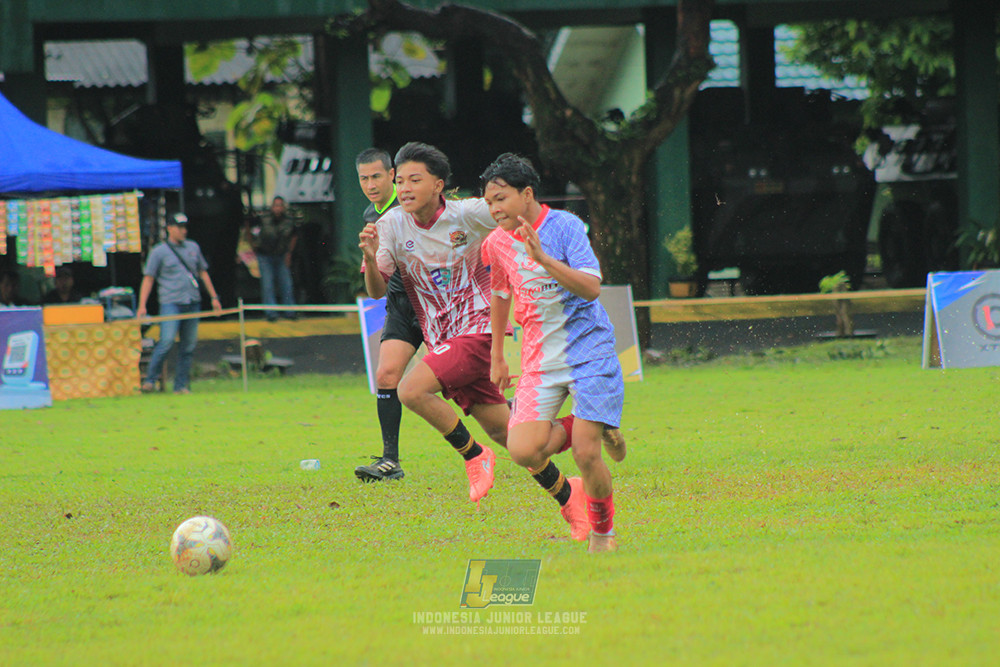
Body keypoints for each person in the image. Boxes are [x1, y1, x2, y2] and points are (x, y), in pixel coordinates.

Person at [359, 143, 586, 542]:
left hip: (479, 330)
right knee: (511, 437)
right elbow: (377, 292)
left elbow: (516, 211)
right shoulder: (392, 225)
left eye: (415, 179)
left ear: (439, 185)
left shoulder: (469, 213)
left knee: (410, 389)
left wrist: (548, 249)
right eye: (400, 180)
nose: (405, 187)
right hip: (443, 339)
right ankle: (570, 494)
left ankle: (474, 455)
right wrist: (372, 255)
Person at [480, 153, 627, 553]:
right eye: (489, 202)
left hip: (590, 351)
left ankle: (602, 533)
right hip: (539, 360)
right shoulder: (494, 245)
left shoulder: (564, 227)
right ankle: (597, 421)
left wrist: (543, 258)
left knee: (584, 451)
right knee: (524, 450)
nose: (494, 209)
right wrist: (497, 355)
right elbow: (499, 296)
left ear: (527, 194)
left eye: (501, 199)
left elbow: (592, 288)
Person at [352, 148, 424, 482]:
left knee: (467, 385)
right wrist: (369, 259)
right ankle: (390, 461)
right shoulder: (371, 213)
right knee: (386, 375)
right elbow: (375, 286)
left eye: (376, 176)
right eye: (363, 178)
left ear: (392, 174)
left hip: (436, 302)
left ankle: (517, 420)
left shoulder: (411, 203)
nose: (370, 184)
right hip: (400, 304)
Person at [137, 213, 222, 394]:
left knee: (188, 346)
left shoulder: (193, 247)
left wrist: (214, 297)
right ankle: (150, 380)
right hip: (171, 302)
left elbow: (203, 273)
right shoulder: (159, 251)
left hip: (192, 300)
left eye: (185, 227)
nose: (183, 230)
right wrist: (142, 305)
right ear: (169, 228)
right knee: (166, 341)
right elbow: (149, 279)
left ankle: (181, 385)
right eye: (179, 227)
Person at [253, 195, 298, 322]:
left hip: (282, 254)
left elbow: (294, 236)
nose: (278, 208)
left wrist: (289, 253)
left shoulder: (289, 220)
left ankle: (290, 311)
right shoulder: (263, 218)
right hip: (265, 255)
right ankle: (271, 312)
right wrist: (253, 245)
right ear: (272, 207)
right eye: (275, 205)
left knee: (286, 283)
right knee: (267, 284)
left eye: (280, 205)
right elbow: (249, 228)